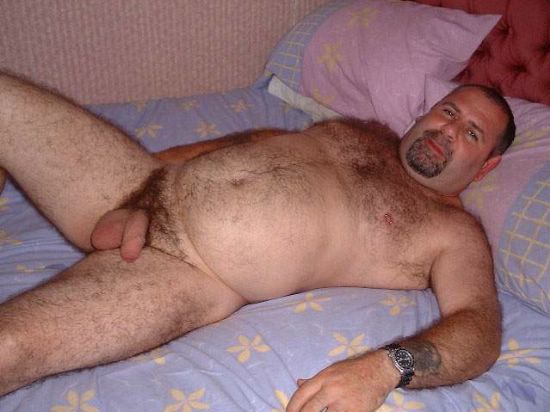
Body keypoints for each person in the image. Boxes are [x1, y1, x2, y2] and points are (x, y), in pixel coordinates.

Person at [0, 71, 515, 412]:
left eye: (472, 133)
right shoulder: (364, 131)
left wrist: (386, 368)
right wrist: (148, 183)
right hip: (136, 183)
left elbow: (479, 326)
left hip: (181, 270)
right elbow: (257, 143)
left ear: (486, 166)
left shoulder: (452, 229)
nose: (449, 131)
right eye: (449, 112)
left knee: (7, 348)